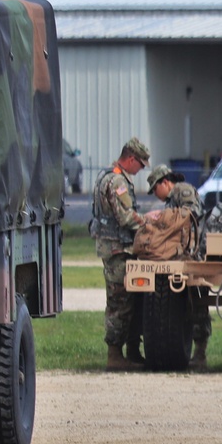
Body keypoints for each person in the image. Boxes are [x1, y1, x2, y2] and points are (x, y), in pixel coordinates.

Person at [90, 137, 150, 371]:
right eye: (141, 164)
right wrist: (148, 223)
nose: (141, 169)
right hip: (118, 249)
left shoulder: (108, 175)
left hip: (116, 248)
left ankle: (130, 352)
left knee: (128, 300)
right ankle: (114, 355)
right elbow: (126, 217)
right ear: (131, 158)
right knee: (119, 302)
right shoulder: (117, 181)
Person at [146, 164, 212, 372]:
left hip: (195, 253)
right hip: (183, 252)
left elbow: (191, 214)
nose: (156, 195)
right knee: (188, 304)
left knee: (198, 303)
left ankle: (200, 353)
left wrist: (164, 217)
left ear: (165, 182)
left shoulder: (182, 190)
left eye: (155, 189)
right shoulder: (173, 198)